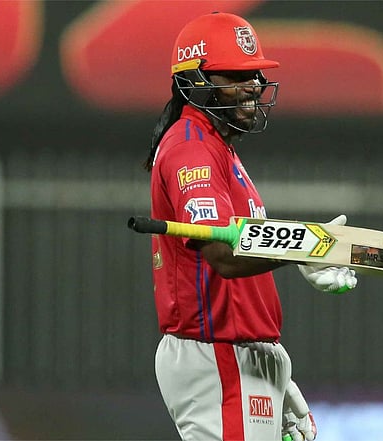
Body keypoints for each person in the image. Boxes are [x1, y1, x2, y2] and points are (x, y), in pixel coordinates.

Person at [142, 12, 357, 441]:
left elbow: (242, 265)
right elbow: (223, 254)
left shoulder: (217, 147)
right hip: (218, 355)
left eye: (255, 73)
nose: (255, 84)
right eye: (238, 74)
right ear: (196, 81)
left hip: (243, 356)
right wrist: (307, 246)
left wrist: (275, 373)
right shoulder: (192, 150)